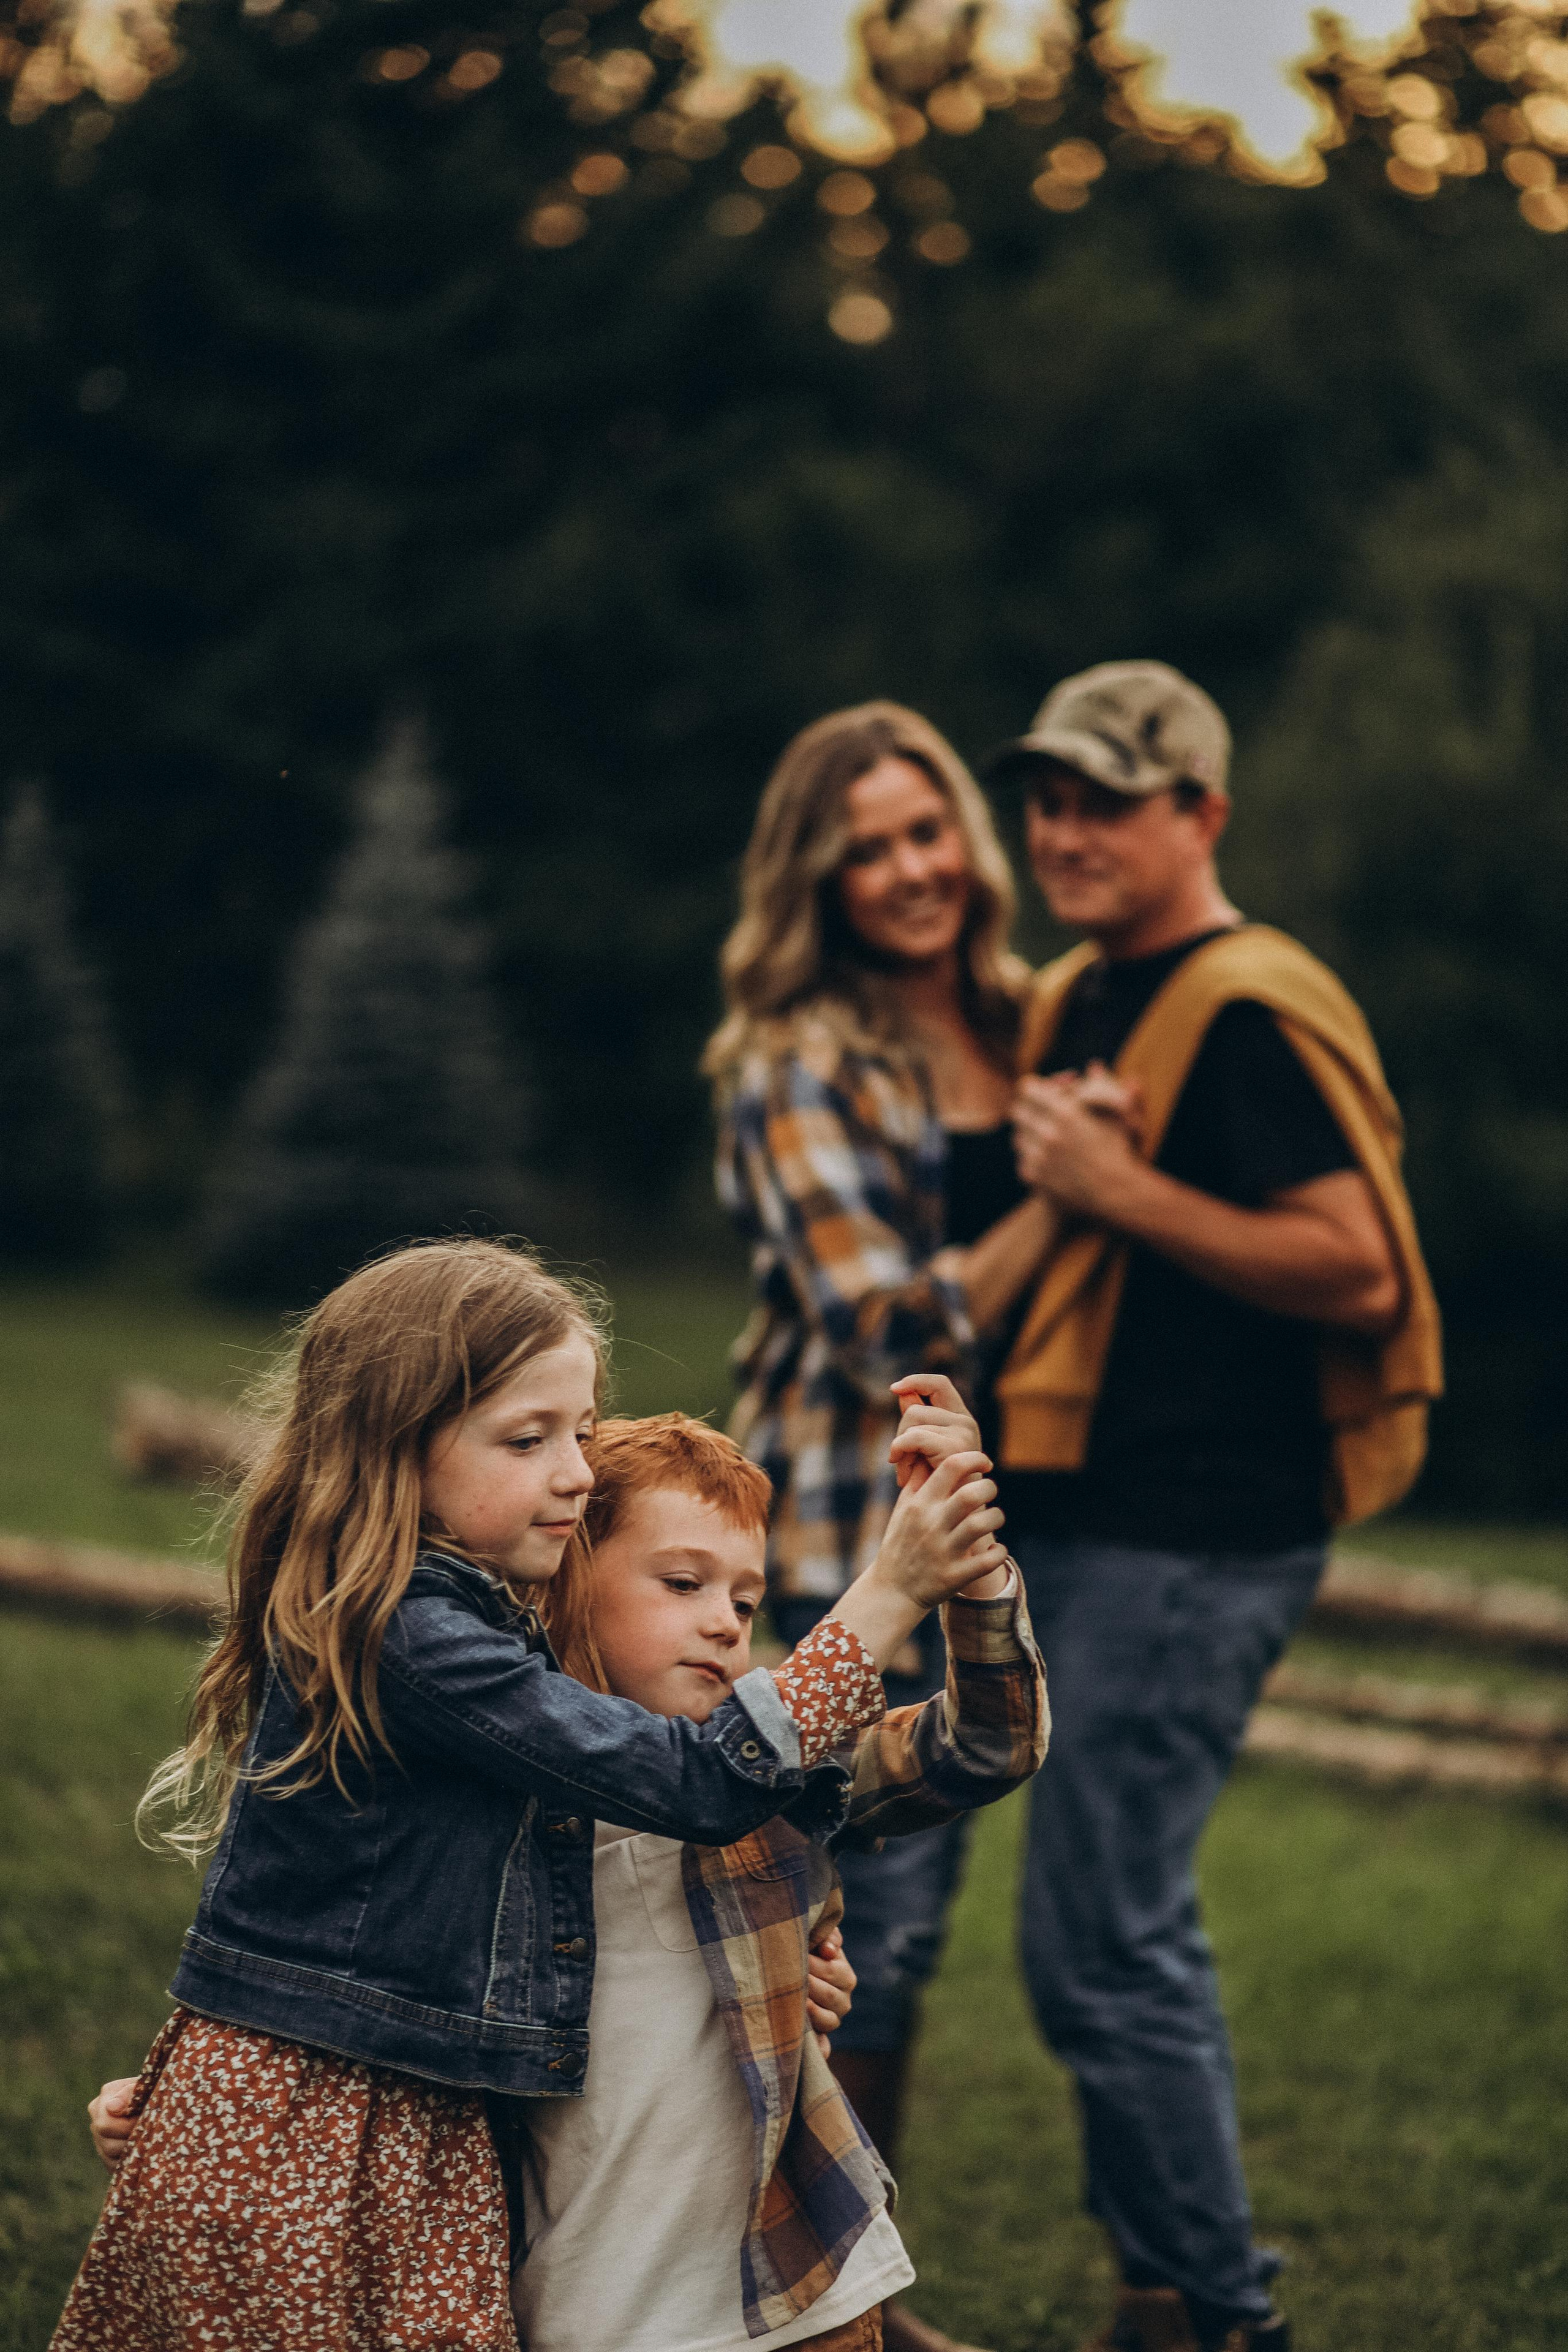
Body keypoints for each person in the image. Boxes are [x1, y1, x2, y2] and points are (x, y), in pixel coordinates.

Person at [51, 1237, 1011, 2352]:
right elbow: (695, 1786)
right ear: (397, 1449)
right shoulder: (405, 1629)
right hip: (323, 2137)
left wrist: (781, 1967)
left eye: (579, 1432)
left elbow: (967, 1752)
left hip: (418, 2133)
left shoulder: (473, 1637)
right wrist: (888, 1593)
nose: (577, 1471)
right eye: (528, 1438)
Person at [986, 661, 1444, 2352]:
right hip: (1089, 1518)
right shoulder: (1085, 998)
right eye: (1048, 798)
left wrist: (1128, 1191)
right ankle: (1163, 2301)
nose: (1065, 832)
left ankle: (1219, 2317)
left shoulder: (1244, 1004)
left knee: (1104, 1941)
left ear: (1204, 815)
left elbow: (1360, 1266)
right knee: (1090, 1936)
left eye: (1108, 799)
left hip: (1196, 1537)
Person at [706, 701, 1135, 2352]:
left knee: (921, 1920)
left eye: (925, 831)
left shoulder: (1034, 1020)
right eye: (865, 848)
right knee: (851, 1918)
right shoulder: (795, 1060)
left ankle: (852, 2286)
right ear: (816, 879)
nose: (908, 871)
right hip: (844, 1534)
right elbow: (889, 1330)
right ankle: (833, 2311)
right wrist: (1071, 1194)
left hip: (1026, 1522)